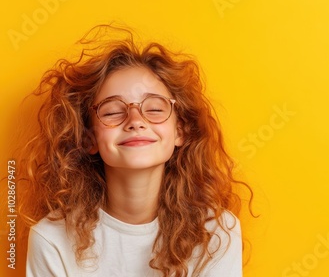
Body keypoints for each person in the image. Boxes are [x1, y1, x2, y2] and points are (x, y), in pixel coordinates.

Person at [20, 25, 252, 277]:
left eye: (154, 108)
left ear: (180, 131)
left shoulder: (216, 232)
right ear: (89, 138)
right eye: (112, 111)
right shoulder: (51, 239)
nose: (135, 119)